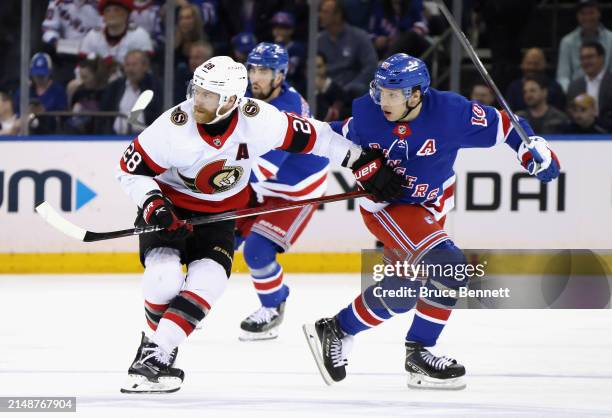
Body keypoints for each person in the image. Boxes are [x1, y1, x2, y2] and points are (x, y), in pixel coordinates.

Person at [115, 55, 403, 393]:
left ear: (232, 101)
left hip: (220, 216)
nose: (198, 101)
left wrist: (362, 162)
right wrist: (155, 205)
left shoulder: (260, 120)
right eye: (198, 91)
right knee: (162, 276)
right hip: (171, 209)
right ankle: (156, 343)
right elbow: (129, 168)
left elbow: (319, 137)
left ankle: (156, 354)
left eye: (209, 95)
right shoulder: (173, 126)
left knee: (209, 280)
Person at [303, 54, 561, 389]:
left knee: (403, 291)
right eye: (381, 91)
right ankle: (420, 353)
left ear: (416, 94)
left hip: (432, 205)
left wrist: (532, 151)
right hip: (388, 208)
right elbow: (331, 137)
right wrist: (359, 163)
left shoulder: (452, 113)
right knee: (450, 266)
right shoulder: (368, 114)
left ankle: (336, 328)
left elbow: (507, 126)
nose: (384, 100)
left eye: (393, 94)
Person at [234, 43, 330, 341]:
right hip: (260, 182)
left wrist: (202, 185)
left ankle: (273, 306)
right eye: (252, 69)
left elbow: (258, 170)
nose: (255, 77)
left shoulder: (288, 113)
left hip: (296, 190)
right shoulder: (247, 96)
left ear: (280, 75)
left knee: (257, 251)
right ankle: (193, 302)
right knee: (217, 239)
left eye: (263, 70)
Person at [318, 0, 378, 99]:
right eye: (321, 11)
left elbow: (371, 66)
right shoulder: (319, 40)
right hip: (326, 89)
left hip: (351, 90)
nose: (320, 15)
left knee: (359, 89)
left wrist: (353, 85)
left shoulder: (359, 36)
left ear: (338, 16)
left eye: (325, 12)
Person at [99, 50, 162, 134]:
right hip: (115, 139)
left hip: (146, 138)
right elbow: (104, 114)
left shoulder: (154, 85)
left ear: (145, 67)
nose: (130, 69)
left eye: (134, 65)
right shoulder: (115, 87)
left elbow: (156, 111)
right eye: (127, 65)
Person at [79, 0, 153, 69]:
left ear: (126, 14)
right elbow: (82, 66)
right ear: (103, 16)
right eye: (107, 11)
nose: (111, 14)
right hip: (98, 81)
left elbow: (143, 71)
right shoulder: (93, 35)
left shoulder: (139, 35)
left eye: (117, 10)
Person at [557, 0, 612, 92]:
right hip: (576, 93)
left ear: (599, 14)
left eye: (591, 13)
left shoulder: (611, 39)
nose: (587, 17)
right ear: (577, 16)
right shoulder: (567, 42)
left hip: (607, 93)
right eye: (583, 13)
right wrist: (572, 94)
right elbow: (563, 77)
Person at [14, 53, 67, 134]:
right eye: (37, 75)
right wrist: (27, 112)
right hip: (26, 131)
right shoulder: (24, 91)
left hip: (51, 133)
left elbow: (62, 115)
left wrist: (45, 112)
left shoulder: (58, 91)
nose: (39, 78)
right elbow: (16, 112)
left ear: (50, 72)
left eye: (42, 75)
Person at [567, 41, 612, 131]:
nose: (586, 61)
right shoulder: (574, 86)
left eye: (590, 57)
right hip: (580, 134)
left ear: (601, 58)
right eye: (583, 58)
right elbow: (570, 113)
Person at [270, 11, 306, 93]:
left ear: (291, 30)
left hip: (293, 87)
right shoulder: (269, 47)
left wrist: (280, 46)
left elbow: (290, 70)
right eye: (275, 27)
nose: (277, 30)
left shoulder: (297, 48)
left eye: (282, 27)